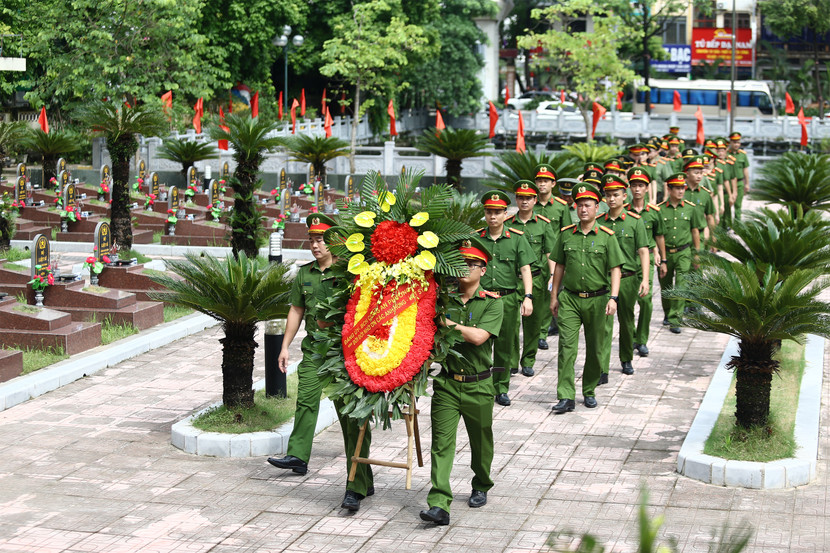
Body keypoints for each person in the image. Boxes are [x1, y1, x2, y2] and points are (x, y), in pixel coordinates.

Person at [268, 214, 374, 512]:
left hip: (344, 355)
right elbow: (296, 310)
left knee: (351, 419)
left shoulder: (350, 272)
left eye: (321, 240)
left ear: (335, 241)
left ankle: (357, 484)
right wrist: (285, 346)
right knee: (306, 400)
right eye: (312, 240)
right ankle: (298, 456)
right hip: (314, 351)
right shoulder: (305, 274)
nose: (315, 245)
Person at [419, 236, 504, 527]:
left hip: (479, 384)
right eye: (462, 263)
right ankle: (439, 503)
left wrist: (446, 323)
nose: (466, 268)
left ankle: (481, 482)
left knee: (481, 442)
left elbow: (480, 337)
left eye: (472, 263)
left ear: (483, 270)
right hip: (446, 383)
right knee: (441, 444)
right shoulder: (442, 299)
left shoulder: (493, 303)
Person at [549, 182, 623, 413]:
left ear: (596, 207)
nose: (583, 209)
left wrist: (613, 298)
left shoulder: (607, 236)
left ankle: (589, 390)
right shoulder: (565, 235)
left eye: (587, 205)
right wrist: (554, 296)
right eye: (579, 205)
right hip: (570, 298)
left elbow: (616, 269)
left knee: (595, 348)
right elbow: (559, 266)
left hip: (598, 299)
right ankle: (566, 396)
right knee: (566, 347)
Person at [476, 190, 534, 407]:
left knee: (504, 346)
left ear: (505, 214)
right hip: (481, 300)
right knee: (480, 345)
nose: (493, 217)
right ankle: (482, 385)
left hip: (507, 300)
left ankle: (501, 387)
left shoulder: (517, 239)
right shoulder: (475, 238)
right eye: (489, 212)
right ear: (485, 213)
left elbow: (525, 269)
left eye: (498, 212)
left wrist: (527, 297)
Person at [598, 174, 649, 380]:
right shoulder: (599, 221)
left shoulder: (635, 222)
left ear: (624, 197)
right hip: (605, 279)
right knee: (604, 324)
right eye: (608, 195)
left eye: (616, 195)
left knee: (627, 321)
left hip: (628, 278)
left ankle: (626, 358)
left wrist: (645, 279)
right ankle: (602, 367)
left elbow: (643, 251)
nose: (612, 199)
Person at [506, 180, 556, 376]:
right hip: (512, 278)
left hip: (536, 279)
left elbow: (549, 253)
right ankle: (511, 362)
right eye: (520, 198)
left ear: (535, 200)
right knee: (511, 323)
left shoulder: (543, 225)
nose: (524, 202)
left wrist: (552, 276)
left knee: (533, 323)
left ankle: (528, 359)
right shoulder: (508, 223)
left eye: (528, 198)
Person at [625, 167, 665, 358]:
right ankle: (632, 335)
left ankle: (641, 340)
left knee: (646, 301)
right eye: (634, 185)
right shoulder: (624, 211)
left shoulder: (654, 212)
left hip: (646, 259)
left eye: (641, 185)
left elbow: (658, 236)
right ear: (629, 188)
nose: (637, 189)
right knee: (627, 301)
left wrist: (660, 256)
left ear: (647, 188)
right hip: (627, 259)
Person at [658, 173, 704, 334]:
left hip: (684, 251)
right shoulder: (660, 209)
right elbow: (659, 235)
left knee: (681, 284)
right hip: (666, 253)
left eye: (682, 188)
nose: (681, 191)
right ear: (669, 189)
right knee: (666, 284)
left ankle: (675, 318)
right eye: (677, 188)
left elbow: (695, 231)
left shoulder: (691, 208)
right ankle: (667, 312)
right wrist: (662, 258)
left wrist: (696, 253)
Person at [531, 164, 568, 346]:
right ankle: (535, 329)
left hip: (553, 259)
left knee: (548, 295)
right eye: (539, 180)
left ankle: (542, 334)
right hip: (533, 256)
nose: (542, 184)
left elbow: (567, 233)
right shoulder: (531, 204)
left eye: (545, 181)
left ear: (553, 184)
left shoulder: (561, 207)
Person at [728, 132, 751, 221]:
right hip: (729, 183)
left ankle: (737, 224)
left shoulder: (742, 155)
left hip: (739, 182)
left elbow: (745, 169)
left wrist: (747, 184)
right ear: (730, 142)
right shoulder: (726, 154)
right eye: (734, 142)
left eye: (738, 142)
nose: (736, 144)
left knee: (738, 205)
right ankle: (728, 224)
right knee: (728, 204)